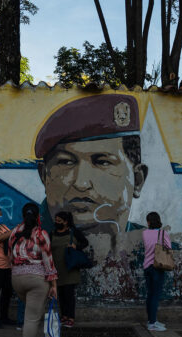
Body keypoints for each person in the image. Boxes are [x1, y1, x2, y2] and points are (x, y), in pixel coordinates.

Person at [35, 94, 148, 237]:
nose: (81, 183)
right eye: (66, 162)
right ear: (44, 177)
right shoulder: (27, 245)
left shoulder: (162, 251)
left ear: (138, 180)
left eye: (102, 162)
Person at [9, 203, 57, 337]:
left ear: (23, 215)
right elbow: (48, 261)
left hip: (16, 278)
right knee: (31, 319)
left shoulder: (14, 232)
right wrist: (54, 285)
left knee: (30, 315)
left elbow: (9, 255)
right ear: (38, 216)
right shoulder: (41, 234)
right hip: (36, 280)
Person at [51, 211, 88, 328]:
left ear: (66, 222)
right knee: (60, 295)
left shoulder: (73, 232)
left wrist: (76, 246)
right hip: (57, 270)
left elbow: (85, 242)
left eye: (59, 221)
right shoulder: (52, 233)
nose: (57, 222)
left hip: (70, 269)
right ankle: (64, 316)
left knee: (69, 295)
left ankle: (71, 317)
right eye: (56, 220)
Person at [142, 212, 170, 332]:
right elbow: (168, 248)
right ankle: (152, 323)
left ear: (148, 222)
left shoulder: (144, 233)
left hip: (147, 266)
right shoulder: (163, 233)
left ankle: (151, 320)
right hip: (158, 267)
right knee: (155, 295)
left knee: (150, 294)